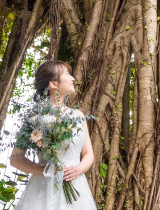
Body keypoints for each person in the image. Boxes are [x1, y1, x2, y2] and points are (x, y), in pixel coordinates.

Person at [10, 60, 96, 209]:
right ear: (53, 84)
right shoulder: (35, 117)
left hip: (76, 185)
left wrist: (78, 169)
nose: (73, 79)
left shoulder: (78, 115)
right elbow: (15, 158)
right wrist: (45, 170)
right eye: (67, 74)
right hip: (43, 188)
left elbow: (89, 153)